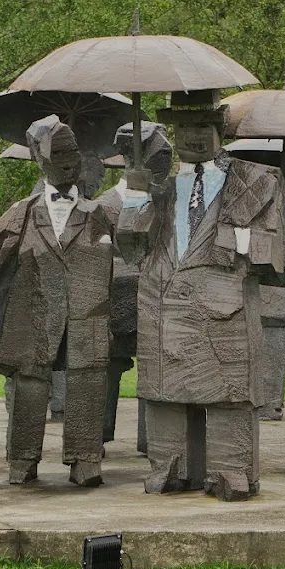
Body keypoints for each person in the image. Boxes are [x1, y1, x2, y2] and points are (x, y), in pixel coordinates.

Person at [118, 90, 285, 502]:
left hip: (224, 306)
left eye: (202, 127)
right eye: (183, 128)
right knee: (165, 395)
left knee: (229, 396)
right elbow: (130, 249)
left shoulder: (258, 182)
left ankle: (231, 470)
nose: (193, 137)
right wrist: (134, 193)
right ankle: (168, 465)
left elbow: (277, 253)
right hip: (163, 305)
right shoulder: (159, 189)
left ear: (220, 130)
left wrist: (229, 237)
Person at [0, 115, 115, 486]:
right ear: (39, 161)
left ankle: (84, 458)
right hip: (32, 317)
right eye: (57, 155)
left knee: (88, 382)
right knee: (30, 385)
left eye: (72, 154)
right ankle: (22, 458)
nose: (67, 163)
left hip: (86, 317)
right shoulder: (22, 213)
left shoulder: (100, 215)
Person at [94, 122, 174, 448]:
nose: (166, 162)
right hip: (115, 302)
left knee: (156, 368)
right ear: (132, 155)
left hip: (160, 301)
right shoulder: (104, 206)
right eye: (160, 154)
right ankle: (96, 433)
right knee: (106, 371)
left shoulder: (167, 202)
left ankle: (152, 439)